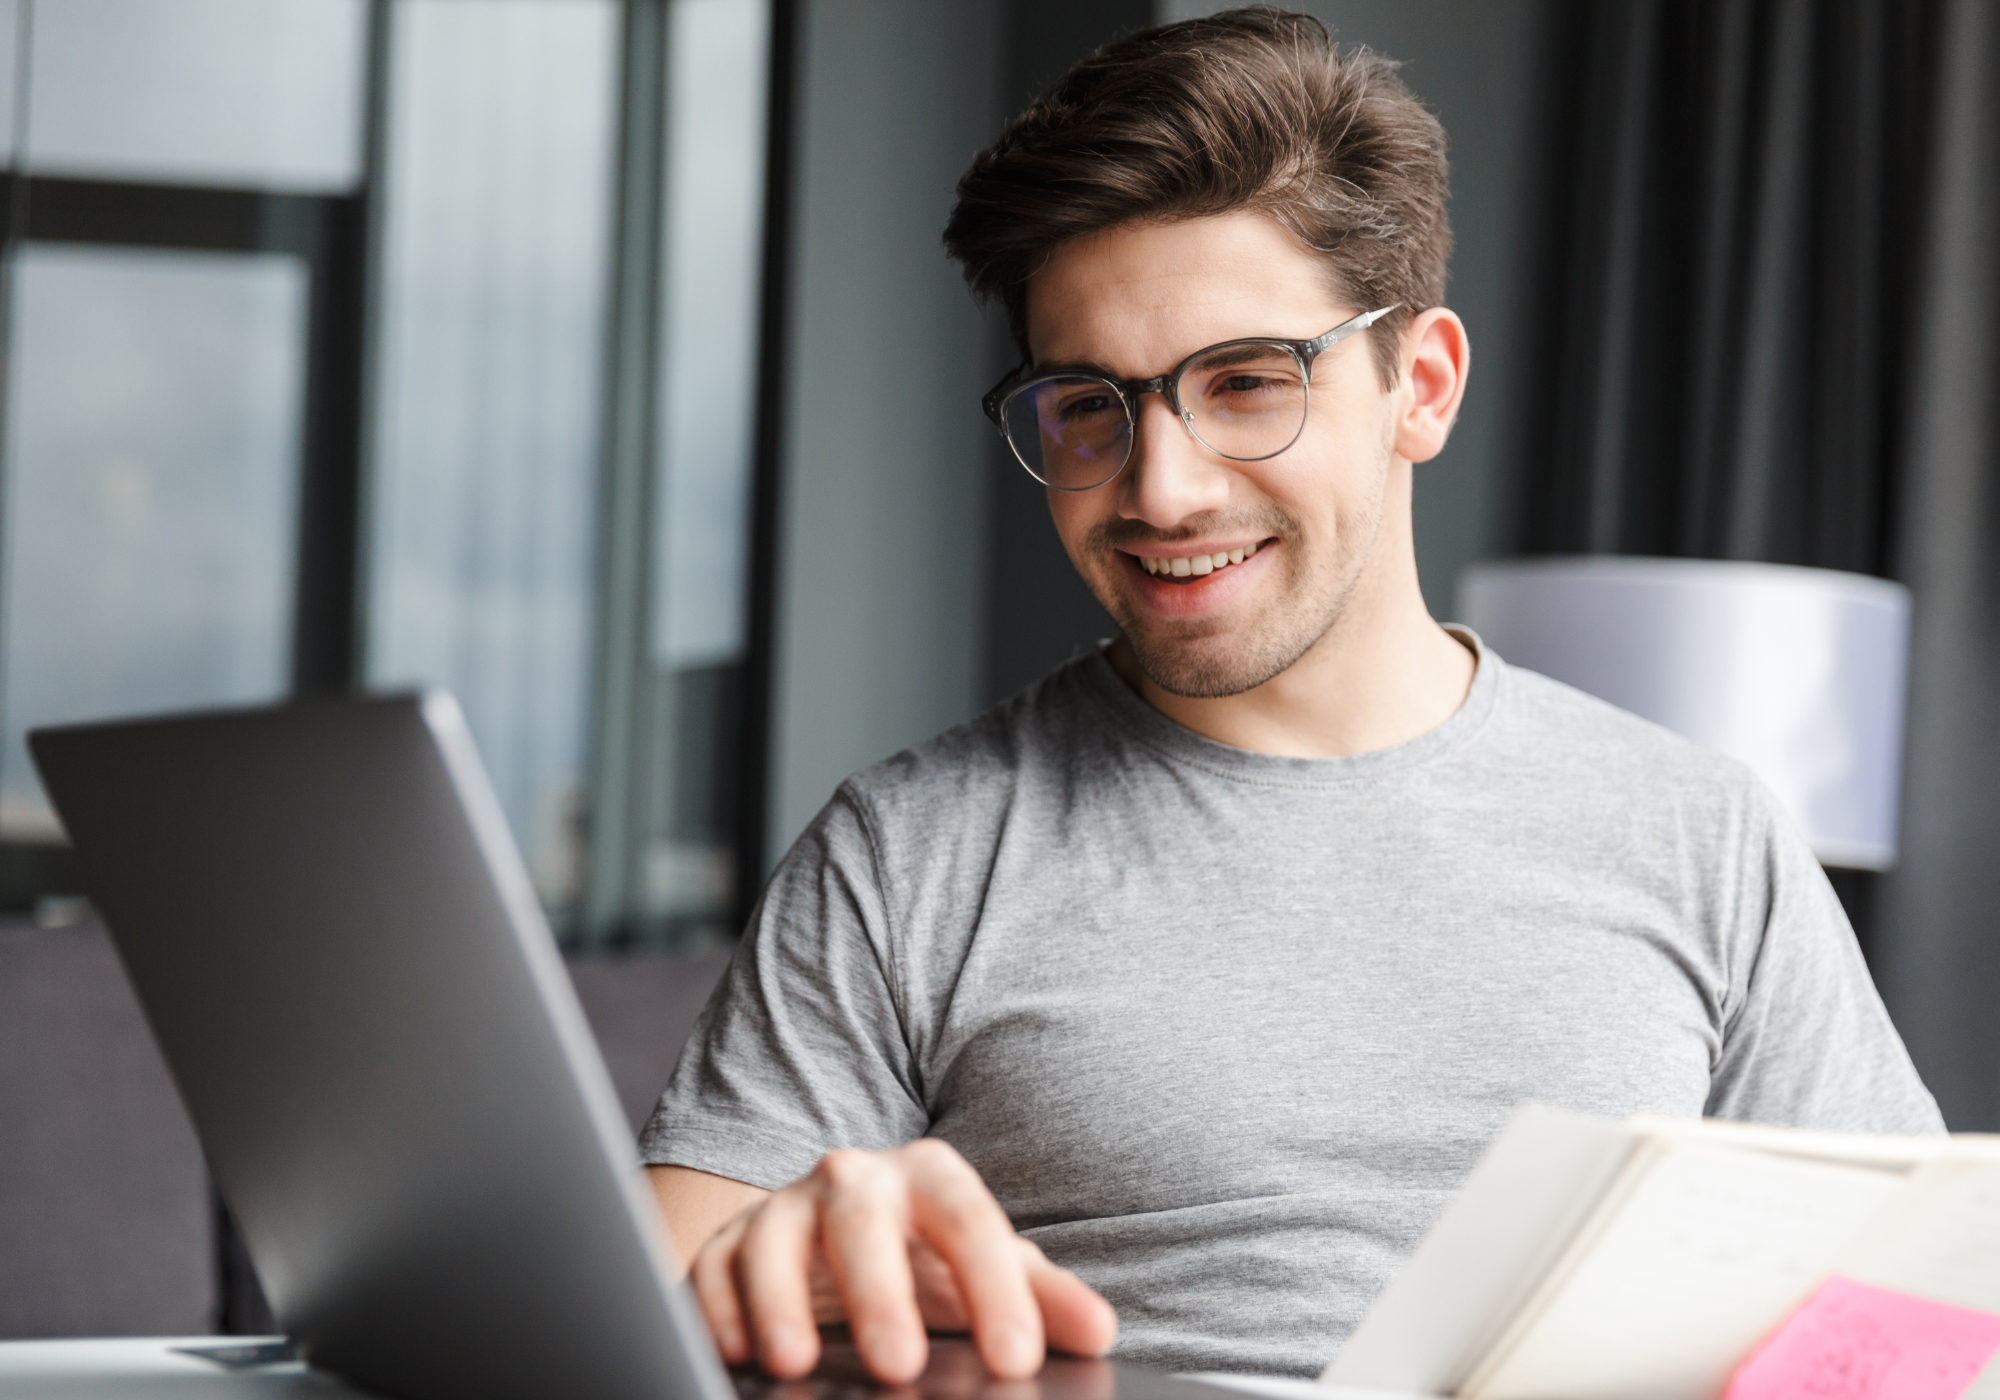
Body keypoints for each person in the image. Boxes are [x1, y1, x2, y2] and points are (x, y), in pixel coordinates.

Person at [639, 6, 1942, 1387]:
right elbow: (626, 1314)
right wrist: (776, 1259)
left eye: (1249, 383)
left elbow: (1922, 1328)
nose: (1161, 489)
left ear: (1420, 388)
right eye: (1091, 405)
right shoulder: (912, 852)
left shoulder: (1706, 838)